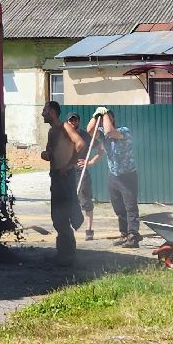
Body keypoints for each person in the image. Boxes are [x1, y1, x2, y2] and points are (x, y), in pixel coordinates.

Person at [39, 100, 85, 264]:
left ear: (52, 112)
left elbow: (80, 143)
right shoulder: (52, 132)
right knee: (58, 217)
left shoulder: (65, 127)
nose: (42, 113)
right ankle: (63, 253)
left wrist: (68, 165)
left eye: (44, 110)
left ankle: (68, 254)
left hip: (65, 178)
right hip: (56, 178)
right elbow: (52, 153)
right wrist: (47, 155)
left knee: (63, 215)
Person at [88, 106, 140, 248]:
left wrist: (105, 114)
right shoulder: (102, 135)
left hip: (127, 175)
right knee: (118, 207)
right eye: (104, 118)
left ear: (113, 119)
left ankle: (133, 236)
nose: (104, 121)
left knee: (130, 207)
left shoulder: (123, 131)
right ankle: (124, 234)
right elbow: (89, 131)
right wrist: (96, 116)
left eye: (107, 118)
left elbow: (110, 131)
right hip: (113, 176)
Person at [67, 112, 100, 240]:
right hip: (67, 171)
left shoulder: (85, 136)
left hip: (81, 171)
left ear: (78, 122)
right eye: (71, 120)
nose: (73, 122)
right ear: (68, 122)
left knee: (86, 201)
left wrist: (90, 161)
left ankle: (89, 230)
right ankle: (68, 230)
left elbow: (101, 148)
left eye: (75, 120)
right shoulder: (64, 135)